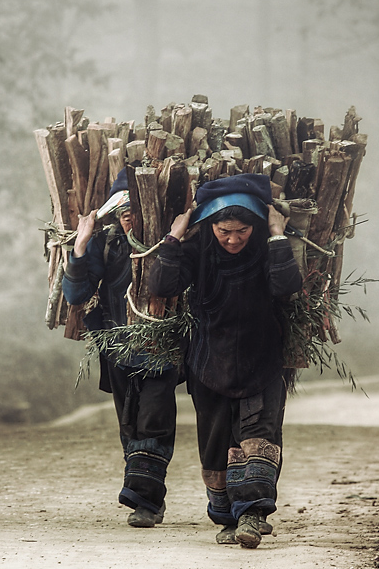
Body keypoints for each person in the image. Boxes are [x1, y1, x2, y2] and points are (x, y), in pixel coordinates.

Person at [147, 173, 302, 548]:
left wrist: (278, 235)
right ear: (210, 225)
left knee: (259, 435)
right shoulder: (197, 250)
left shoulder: (269, 246)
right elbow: (161, 287)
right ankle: (227, 516)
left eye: (242, 231)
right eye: (223, 230)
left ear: (257, 226)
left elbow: (286, 287)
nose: (233, 239)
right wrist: (174, 238)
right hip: (208, 363)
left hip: (262, 360)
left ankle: (251, 514)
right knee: (215, 443)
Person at [62, 169, 181, 528]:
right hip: (117, 348)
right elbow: (78, 295)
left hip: (161, 349)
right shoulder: (109, 243)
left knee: (154, 419)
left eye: (136, 207)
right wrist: (81, 247)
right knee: (128, 422)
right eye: (122, 209)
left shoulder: (170, 243)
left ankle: (145, 500)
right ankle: (144, 496)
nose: (129, 216)